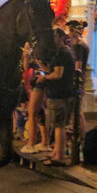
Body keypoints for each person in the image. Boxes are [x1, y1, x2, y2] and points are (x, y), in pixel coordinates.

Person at [35, 28, 76, 165]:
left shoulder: (61, 54)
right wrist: (40, 64)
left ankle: (58, 156)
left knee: (59, 126)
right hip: (64, 93)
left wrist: (44, 78)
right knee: (59, 125)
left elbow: (57, 74)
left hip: (59, 94)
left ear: (59, 37)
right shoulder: (64, 53)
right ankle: (55, 152)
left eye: (53, 37)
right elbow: (53, 70)